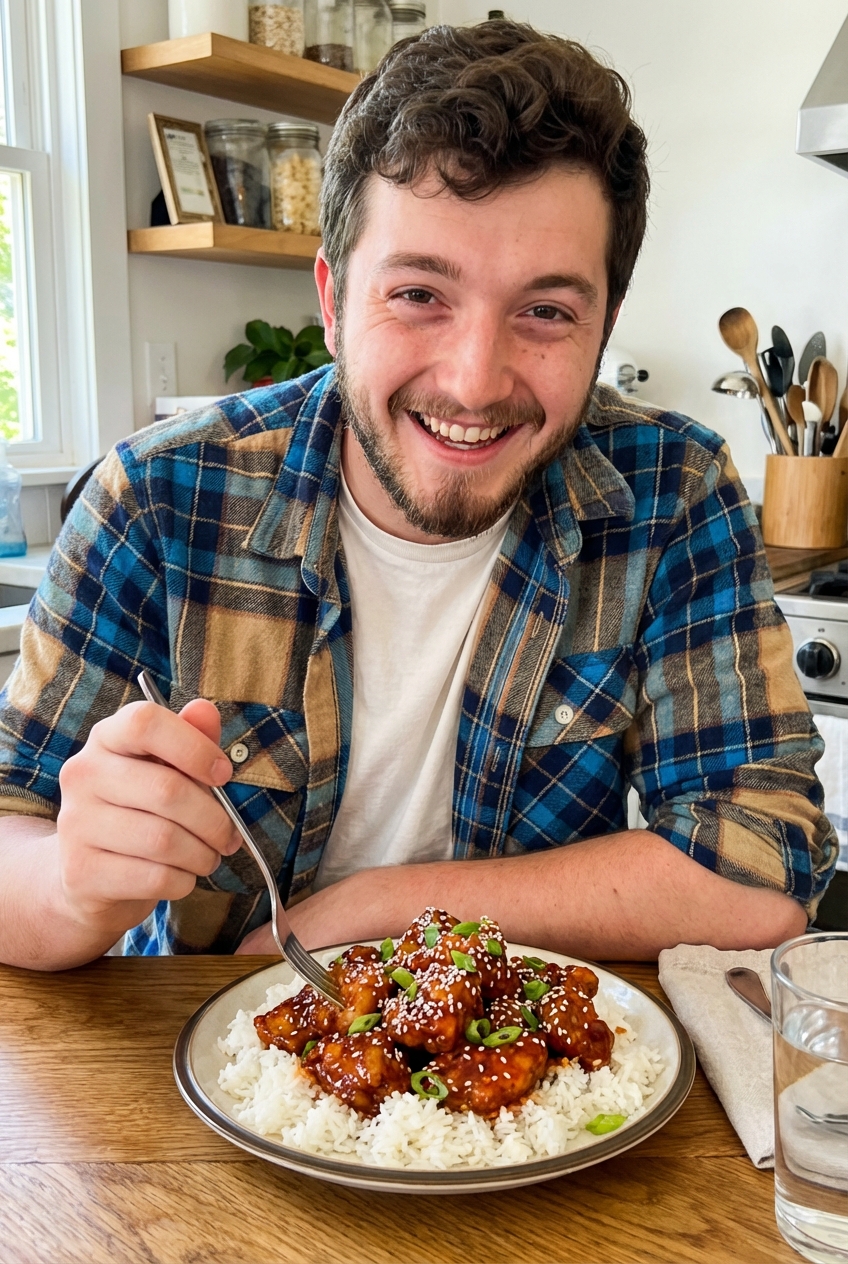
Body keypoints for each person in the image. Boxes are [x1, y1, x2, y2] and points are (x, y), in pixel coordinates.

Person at [0, 21, 835, 971]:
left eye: (547, 312)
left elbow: (762, 874)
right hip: (194, 1069)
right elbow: (10, 844)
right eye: (418, 295)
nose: (476, 382)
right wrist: (74, 881)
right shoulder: (154, 499)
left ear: (602, 329)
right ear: (332, 301)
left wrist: (374, 909)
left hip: (533, 1086)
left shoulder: (674, 492)